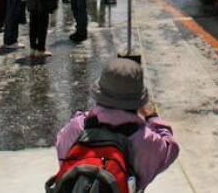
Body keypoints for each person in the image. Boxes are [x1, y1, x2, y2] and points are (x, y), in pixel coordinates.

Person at [52, 59, 179, 192]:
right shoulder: (146, 141)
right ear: (138, 101)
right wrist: (151, 116)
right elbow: (171, 148)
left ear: (99, 94)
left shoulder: (78, 127)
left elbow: (62, 150)